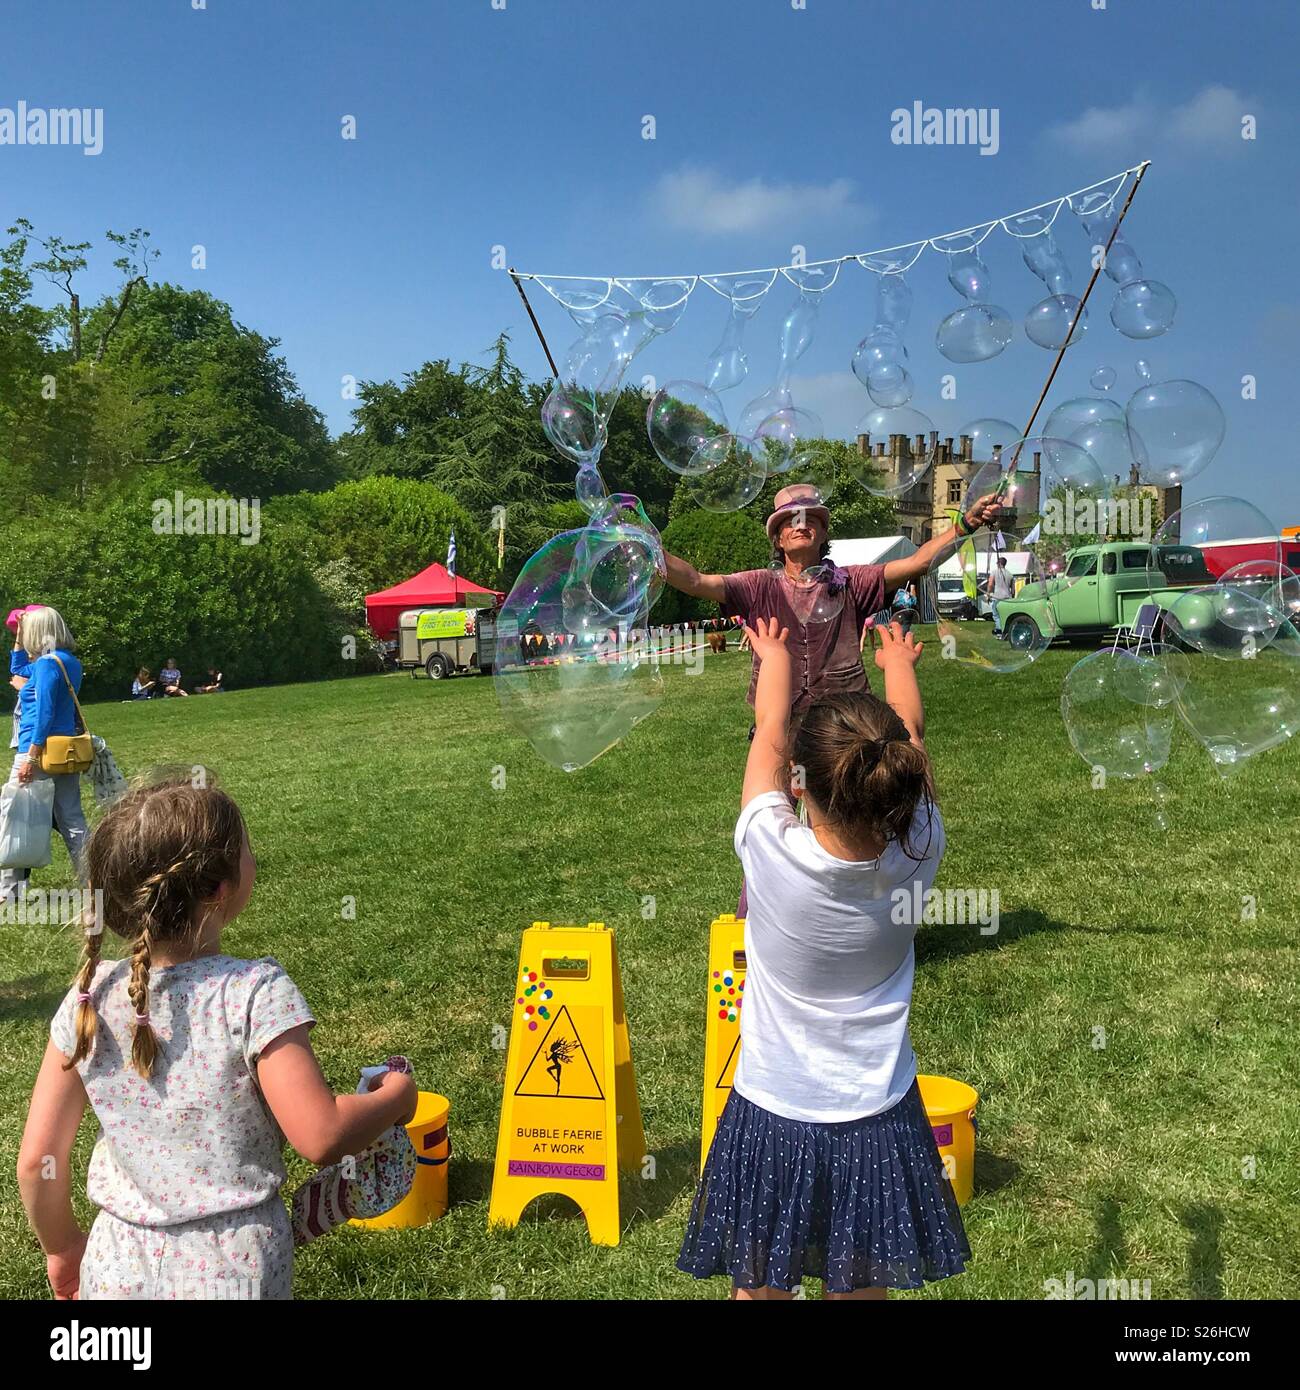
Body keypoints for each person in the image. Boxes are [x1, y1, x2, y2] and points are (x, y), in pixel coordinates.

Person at [16, 776, 418, 1301]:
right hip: (236, 1267)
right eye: (248, 850)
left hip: (116, 1263)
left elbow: (36, 1159)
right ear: (219, 888)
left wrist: (62, 1247)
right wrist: (395, 1098)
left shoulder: (88, 998)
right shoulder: (254, 994)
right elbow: (320, 1135)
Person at [677, 618, 968, 1299]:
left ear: (800, 787)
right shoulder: (920, 850)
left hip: (771, 1111)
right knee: (862, 1286)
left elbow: (770, 728)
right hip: (877, 1119)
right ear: (902, 785)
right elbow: (912, 742)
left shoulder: (770, 851)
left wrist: (775, 654)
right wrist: (898, 661)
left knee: (759, 1287)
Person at [1, 607, 89, 907]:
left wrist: (31, 755)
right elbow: (17, 669)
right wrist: (18, 641)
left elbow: (44, 711)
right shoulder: (67, 662)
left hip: (36, 749)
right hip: (64, 751)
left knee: (15, 815)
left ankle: (8, 891)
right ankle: (93, 882)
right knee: (72, 818)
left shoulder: (45, 665)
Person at [986, 556, 1014, 635]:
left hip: (997, 597)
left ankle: (1000, 631)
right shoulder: (1010, 574)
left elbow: (990, 584)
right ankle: (1007, 631)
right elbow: (1013, 589)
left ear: (999, 563)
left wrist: (988, 594)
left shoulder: (994, 572)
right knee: (1006, 615)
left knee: (996, 615)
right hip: (1007, 598)